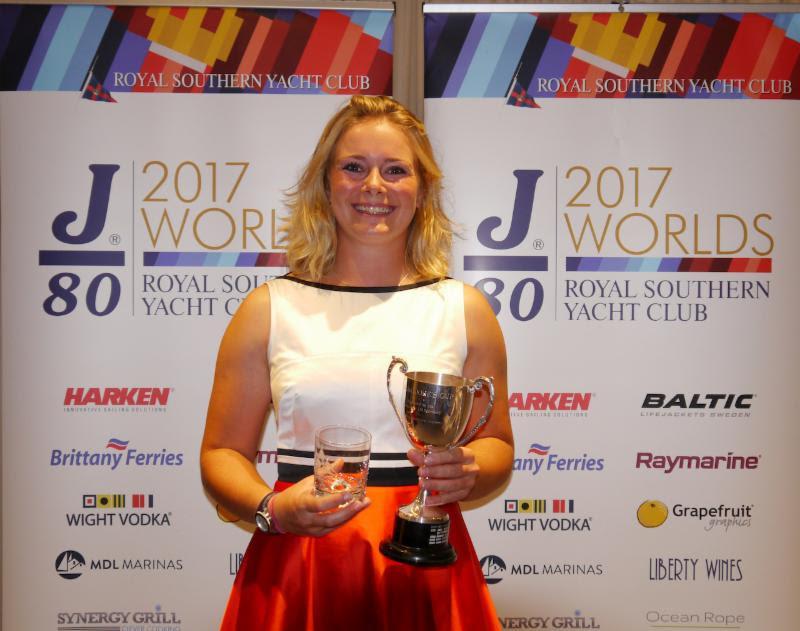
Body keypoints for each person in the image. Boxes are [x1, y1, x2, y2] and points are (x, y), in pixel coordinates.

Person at [200, 95, 513, 630]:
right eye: (354, 167)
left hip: (425, 557)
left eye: (395, 170)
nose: (375, 186)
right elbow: (222, 453)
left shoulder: (466, 309)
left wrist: (469, 470)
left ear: (422, 190)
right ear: (325, 184)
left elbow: (497, 447)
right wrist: (272, 511)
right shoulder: (268, 307)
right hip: (300, 564)